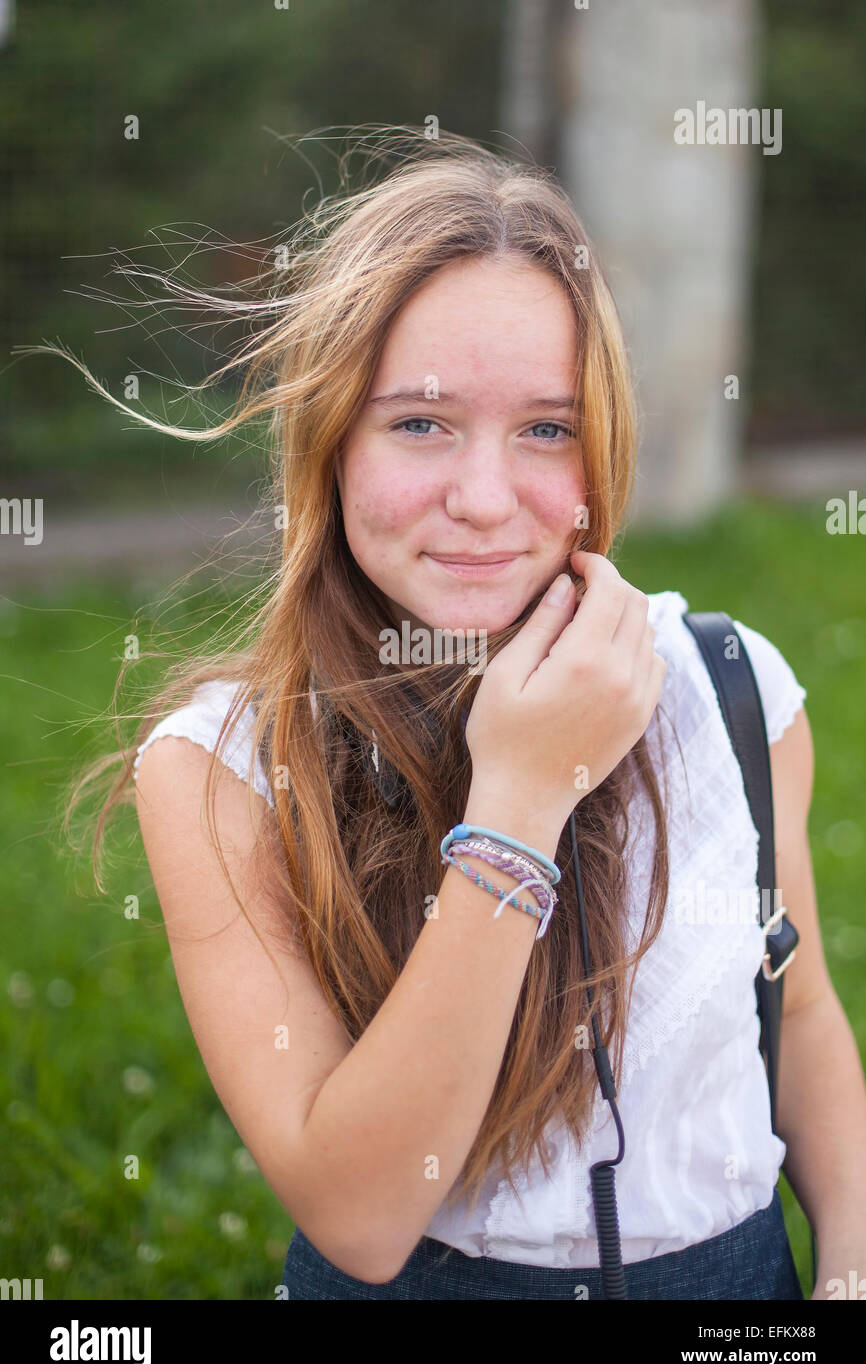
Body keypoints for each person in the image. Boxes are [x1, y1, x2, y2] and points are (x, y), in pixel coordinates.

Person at [59, 129, 865, 1300]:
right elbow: (362, 1217)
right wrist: (523, 796)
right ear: (330, 440)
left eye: (545, 428)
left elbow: (793, 1016)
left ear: (599, 453)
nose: (484, 500)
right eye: (420, 423)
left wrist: (845, 1263)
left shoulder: (732, 690)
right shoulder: (223, 768)